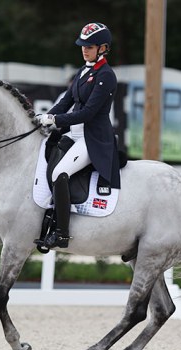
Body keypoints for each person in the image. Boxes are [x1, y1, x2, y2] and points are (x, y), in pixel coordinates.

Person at [35, 22, 121, 249]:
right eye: (83, 45)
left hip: (92, 139)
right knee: (46, 157)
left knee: (61, 173)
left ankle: (62, 233)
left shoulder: (106, 75)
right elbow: (66, 102)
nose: (85, 49)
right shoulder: (83, 71)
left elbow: (88, 113)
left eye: (90, 46)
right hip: (74, 135)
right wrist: (45, 117)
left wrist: (56, 121)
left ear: (103, 48)